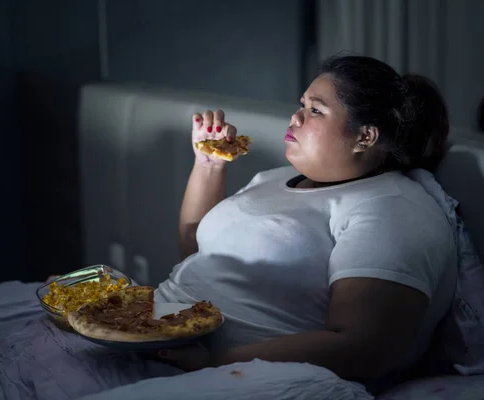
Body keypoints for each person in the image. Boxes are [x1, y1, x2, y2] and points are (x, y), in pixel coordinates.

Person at [154, 55, 457, 387]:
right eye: (302, 105)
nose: (296, 117)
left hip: (239, 376)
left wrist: (213, 362)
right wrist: (209, 165)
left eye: (316, 110)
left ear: (365, 137)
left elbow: (366, 347)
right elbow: (194, 251)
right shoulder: (274, 177)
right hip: (158, 337)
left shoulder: (391, 208)